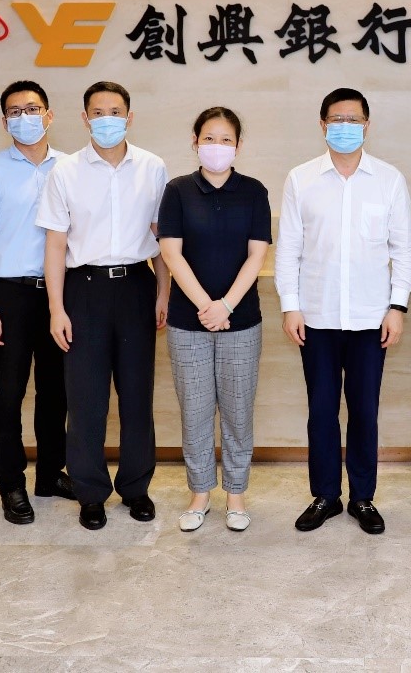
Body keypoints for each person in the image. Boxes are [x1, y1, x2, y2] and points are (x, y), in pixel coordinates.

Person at [275, 87, 411, 535]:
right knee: (321, 410)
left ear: (367, 126)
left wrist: (397, 307)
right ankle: (325, 495)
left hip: (371, 318)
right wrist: (290, 306)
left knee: (364, 410)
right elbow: (289, 249)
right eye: (336, 119)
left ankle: (363, 498)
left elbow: (403, 250)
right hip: (315, 317)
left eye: (353, 119)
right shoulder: (301, 179)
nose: (345, 127)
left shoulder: (389, 179)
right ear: (322, 125)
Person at [37, 81, 170, 531]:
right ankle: (90, 492)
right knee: (86, 399)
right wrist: (57, 308)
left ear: (129, 117)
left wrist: (163, 293)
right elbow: (55, 245)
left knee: (137, 396)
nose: (107, 119)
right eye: (98, 112)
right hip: (84, 290)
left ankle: (136, 488)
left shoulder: (153, 167)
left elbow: (162, 240)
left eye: (115, 112)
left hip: (136, 287)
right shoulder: (65, 172)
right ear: (85, 118)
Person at [0, 80, 75, 526]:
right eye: (15, 111)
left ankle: (50, 474)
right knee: (9, 393)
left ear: (49, 115)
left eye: (32, 109)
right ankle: (10, 484)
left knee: (56, 391)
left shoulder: (70, 167)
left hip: (61, 294)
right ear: (4, 121)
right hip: (10, 293)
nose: (24, 117)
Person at [157, 106, 271, 533]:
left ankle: (236, 495)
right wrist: (207, 306)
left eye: (225, 139)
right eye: (209, 138)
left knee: (238, 411)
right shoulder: (178, 190)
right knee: (196, 411)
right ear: (195, 142)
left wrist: (226, 306)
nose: (216, 146)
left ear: (238, 146)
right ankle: (200, 494)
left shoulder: (254, 191)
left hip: (241, 322)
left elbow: (257, 254)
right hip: (188, 323)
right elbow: (171, 253)